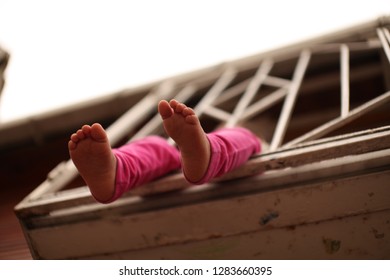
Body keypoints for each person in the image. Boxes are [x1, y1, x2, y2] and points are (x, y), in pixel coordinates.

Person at [68, 99, 261, 203]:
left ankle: (123, 169)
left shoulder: (263, 142)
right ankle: (115, 168)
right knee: (157, 146)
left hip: (197, 165)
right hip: (188, 164)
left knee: (244, 136)